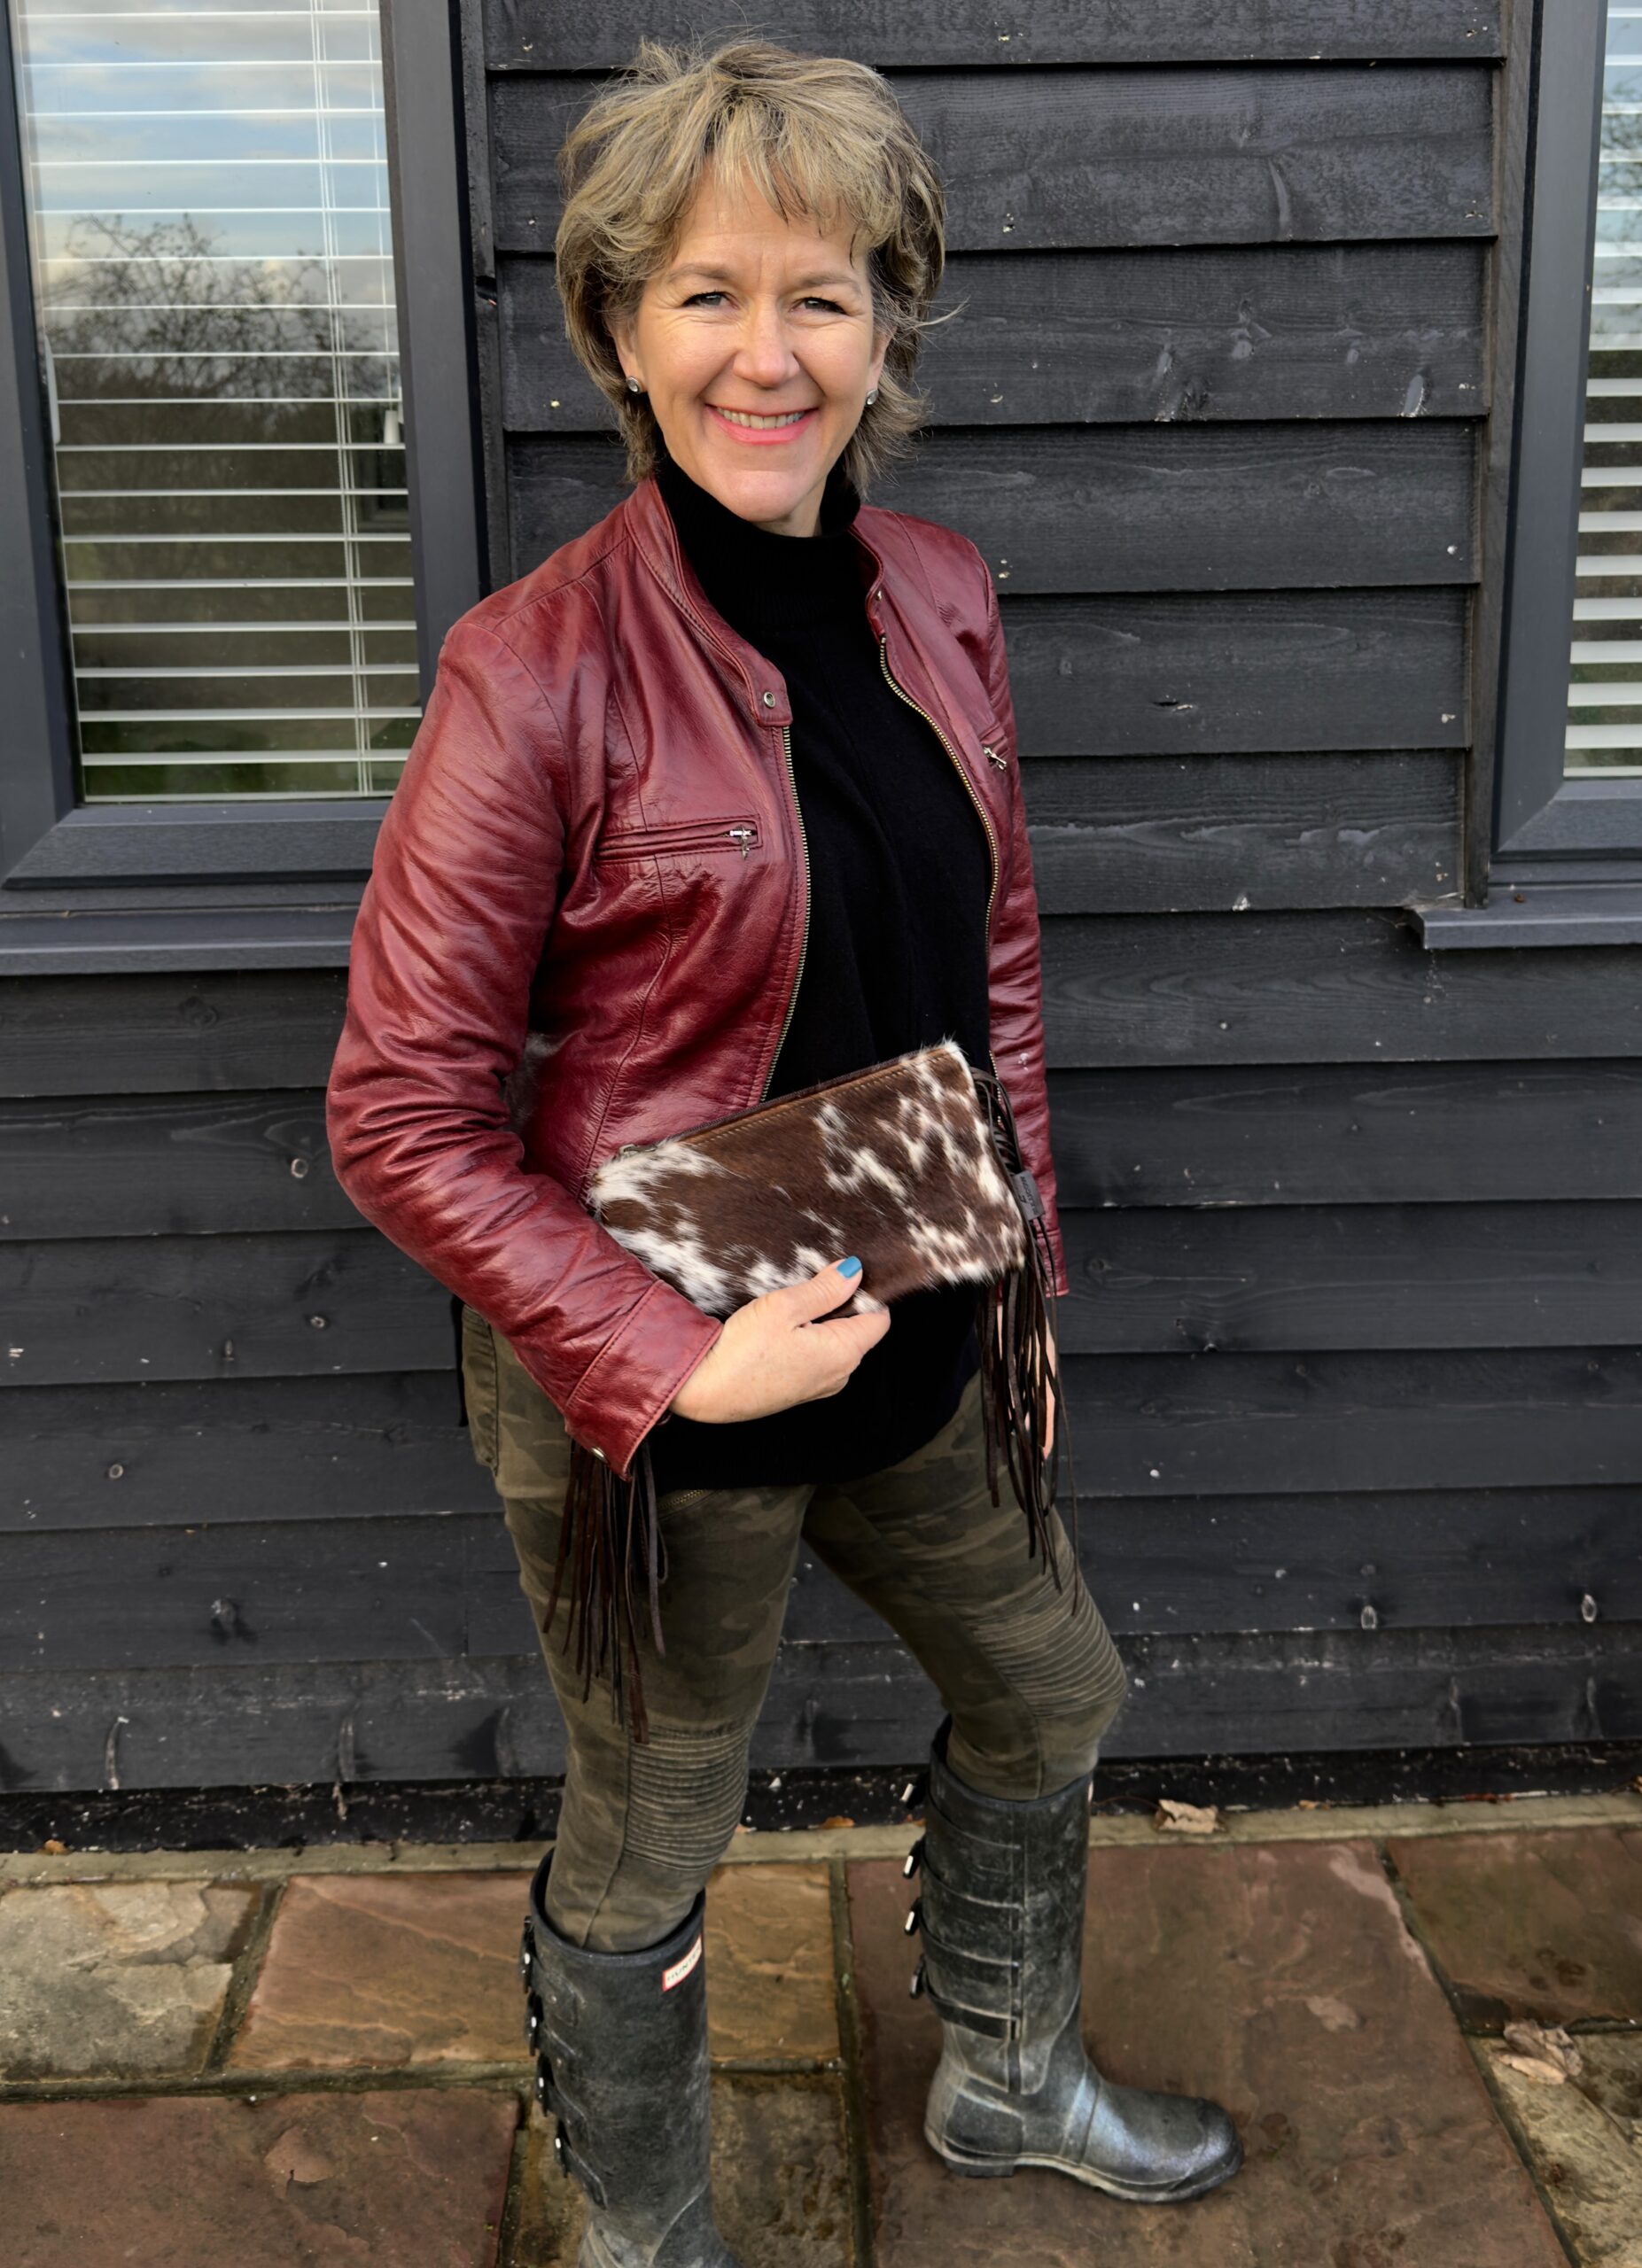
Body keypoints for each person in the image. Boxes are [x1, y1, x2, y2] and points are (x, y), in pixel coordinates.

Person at [325, 37, 1241, 2263]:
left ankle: (1010, 2083)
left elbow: (991, 953)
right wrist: (662, 1355)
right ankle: (652, 2231)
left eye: (820, 291)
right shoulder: (527, 668)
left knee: (1050, 1686)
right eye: (710, 293)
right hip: (673, 1351)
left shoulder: (936, 588)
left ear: (885, 322)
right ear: (622, 333)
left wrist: (1019, 1259)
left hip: (914, 1274)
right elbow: (397, 1108)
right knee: (659, 1824)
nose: (770, 346)